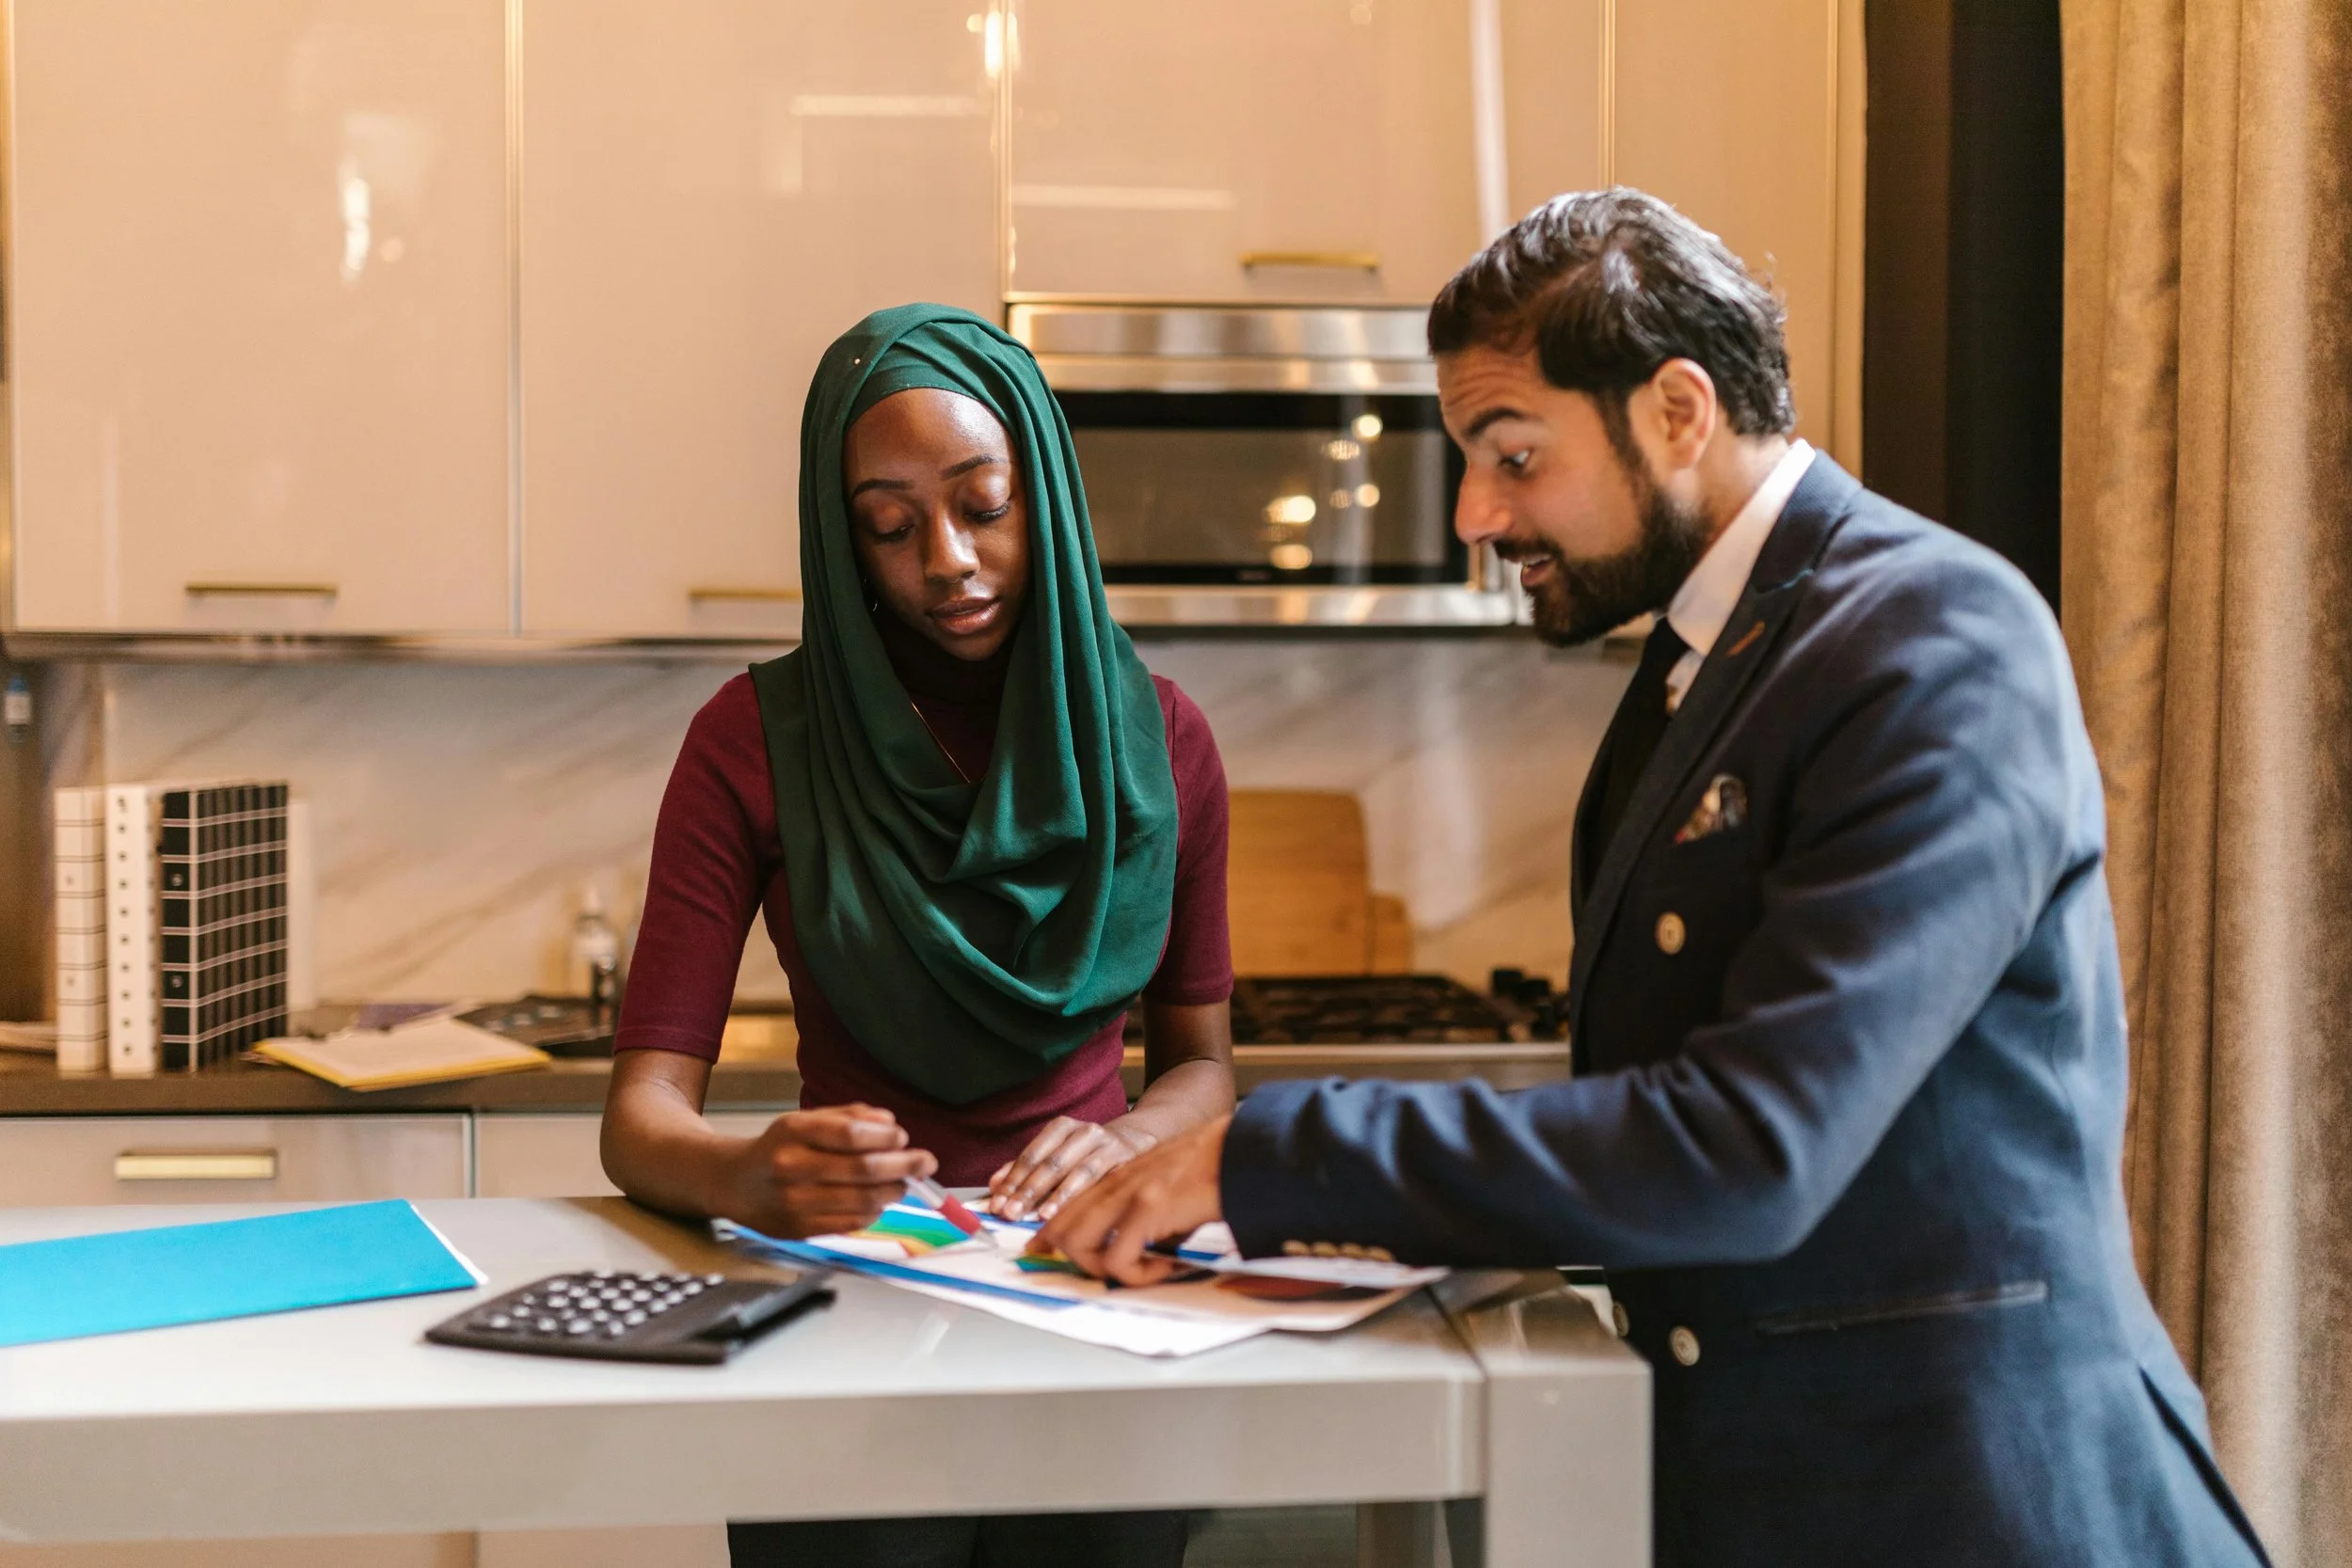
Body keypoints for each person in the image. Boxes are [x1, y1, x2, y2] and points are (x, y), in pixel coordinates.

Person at [1040, 191, 2272, 1566]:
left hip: (1977, 1502)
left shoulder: (1934, 636)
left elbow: (1748, 1148)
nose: (1475, 513)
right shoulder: (1695, 671)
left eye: (1514, 454)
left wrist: (1276, 1152)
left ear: (1678, 411)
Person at [602, 303, 1233, 1568]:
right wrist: (743, 1175)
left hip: (1095, 1292)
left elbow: (1202, 1068)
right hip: (846, 1306)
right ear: (843, 548)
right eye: (890, 527)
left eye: (982, 505)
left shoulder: (1161, 743)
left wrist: (1122, 1140)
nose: (945, 558)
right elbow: (640, 1114)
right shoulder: (751, 744)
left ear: (1042, 495)